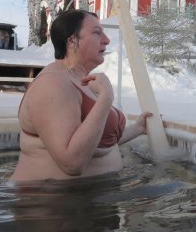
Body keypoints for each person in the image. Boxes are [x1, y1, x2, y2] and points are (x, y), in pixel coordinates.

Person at [11, 10, 152, 181]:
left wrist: (137, 129)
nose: (106, 40)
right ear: (72, 41)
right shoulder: (54, 85)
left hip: (90, 197)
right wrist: (106, 99)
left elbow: (94, 140)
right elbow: (72, 163)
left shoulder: (80, 80)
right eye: (97, 32)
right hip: (52, 200)